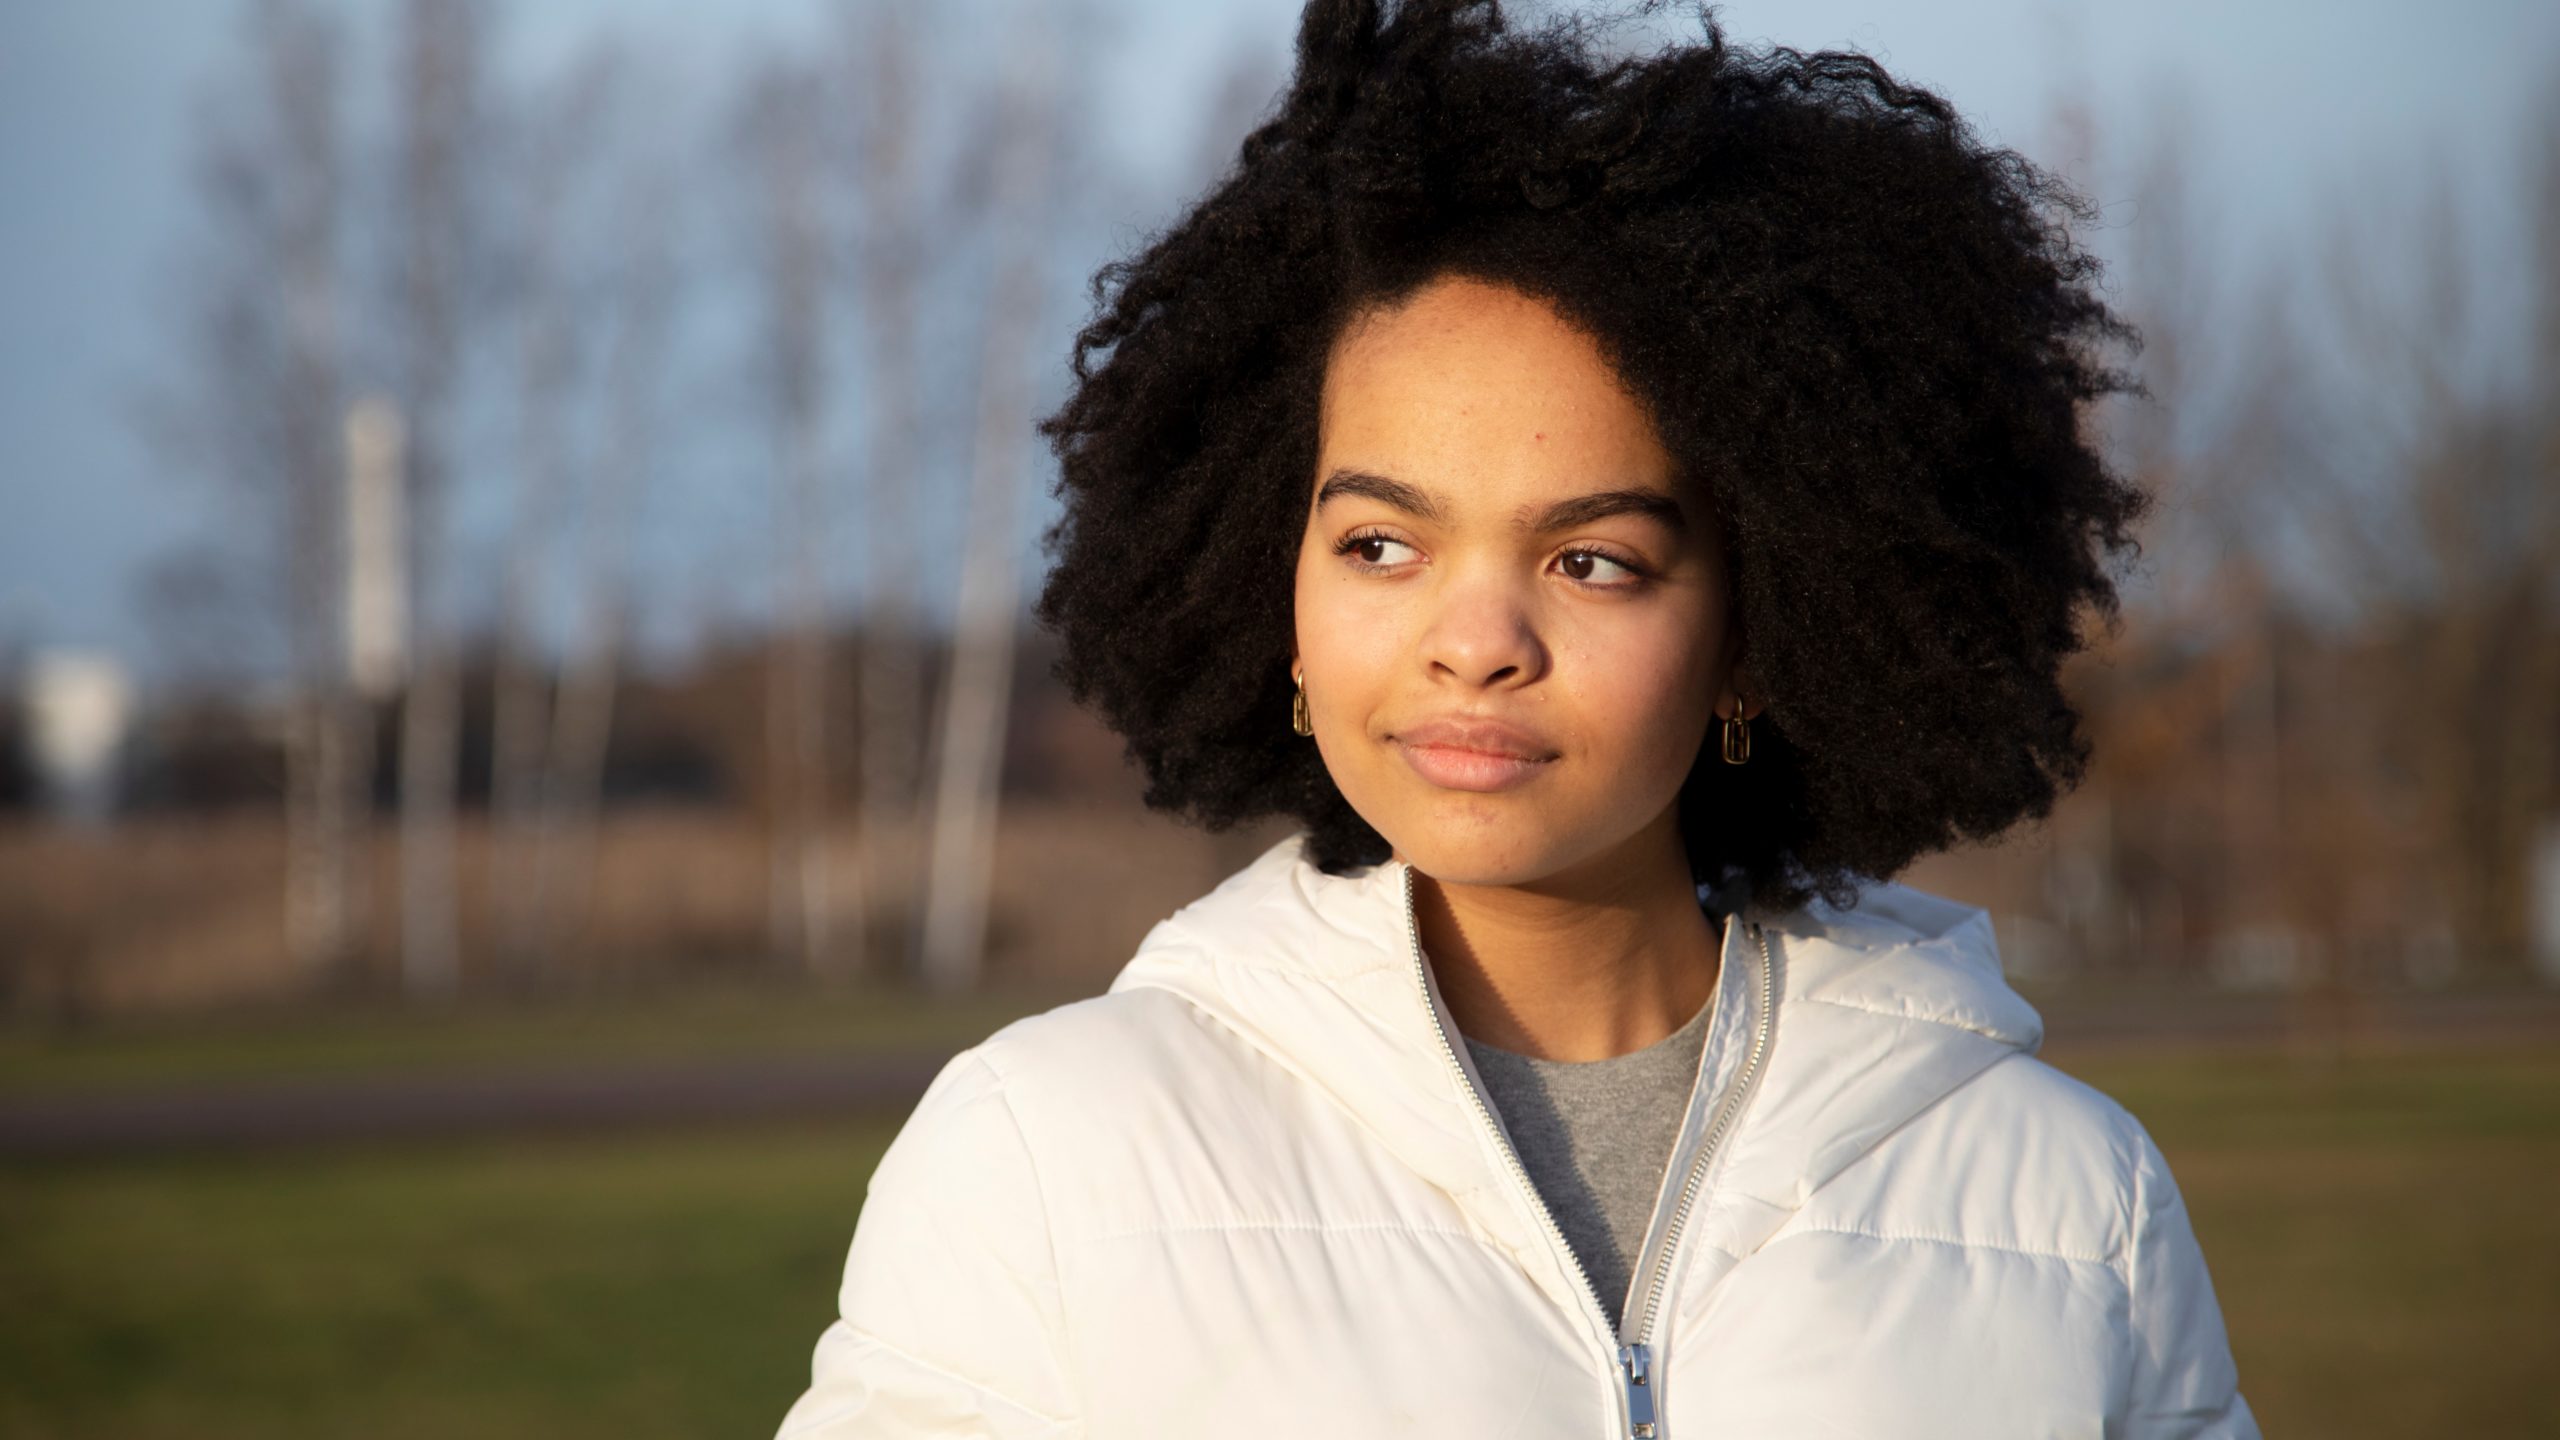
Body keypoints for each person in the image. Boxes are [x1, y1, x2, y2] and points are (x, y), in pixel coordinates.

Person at [775, 1, 2259, 1435]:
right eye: (1379, 546)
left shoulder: (2070, 1206)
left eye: (1592, 561)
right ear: (1267, 591)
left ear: (1760, 633)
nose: (1475, 643)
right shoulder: (1046, 1160)